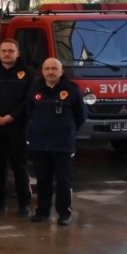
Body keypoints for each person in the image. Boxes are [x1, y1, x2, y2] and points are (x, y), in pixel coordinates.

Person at [25, 57, 87, 226]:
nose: (51, 72)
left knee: (64, 181)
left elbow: (80, 116)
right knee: (43, 180)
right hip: (40, 144)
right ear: (42, 71)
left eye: (54, 68)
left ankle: (64, 214)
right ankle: (42, 212)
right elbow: (29, 114)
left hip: (63, 145)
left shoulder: (72, 90)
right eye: (47, 68)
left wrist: (67, 131)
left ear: (61, 71)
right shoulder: (34, 90)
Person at [0, 39, 33, 218]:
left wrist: (12, 117)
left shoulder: (27, 74)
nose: (7, 54)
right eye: (4, 50)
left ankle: (24, 204)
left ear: (17, 53)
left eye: (11, 51)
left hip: (17, 128)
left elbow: (29, 101)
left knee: (20, 168)